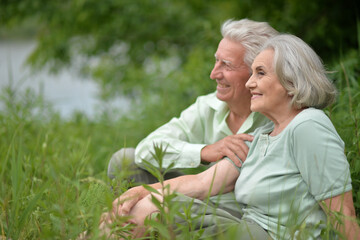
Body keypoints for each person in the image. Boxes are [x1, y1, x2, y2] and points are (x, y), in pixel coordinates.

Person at [102, 34, 360, 239]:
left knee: (152, 210)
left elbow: (342, 212)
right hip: (245, 228)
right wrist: (138, 191)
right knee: (144, 205)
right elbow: (203, 183)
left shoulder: (308, 126)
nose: (249, 83)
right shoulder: (261, 135)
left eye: (260, 73)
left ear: (291, 81)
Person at [107, 18, 278, 184]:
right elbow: (146, 149)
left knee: (149, 202)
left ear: (257, 72)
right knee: (124, 161)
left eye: (227, 65)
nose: (214, 74)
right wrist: (204, 151)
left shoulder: (279, 114)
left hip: (245, 208)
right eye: (216, 60)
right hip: (204, 197)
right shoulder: (208, 106)